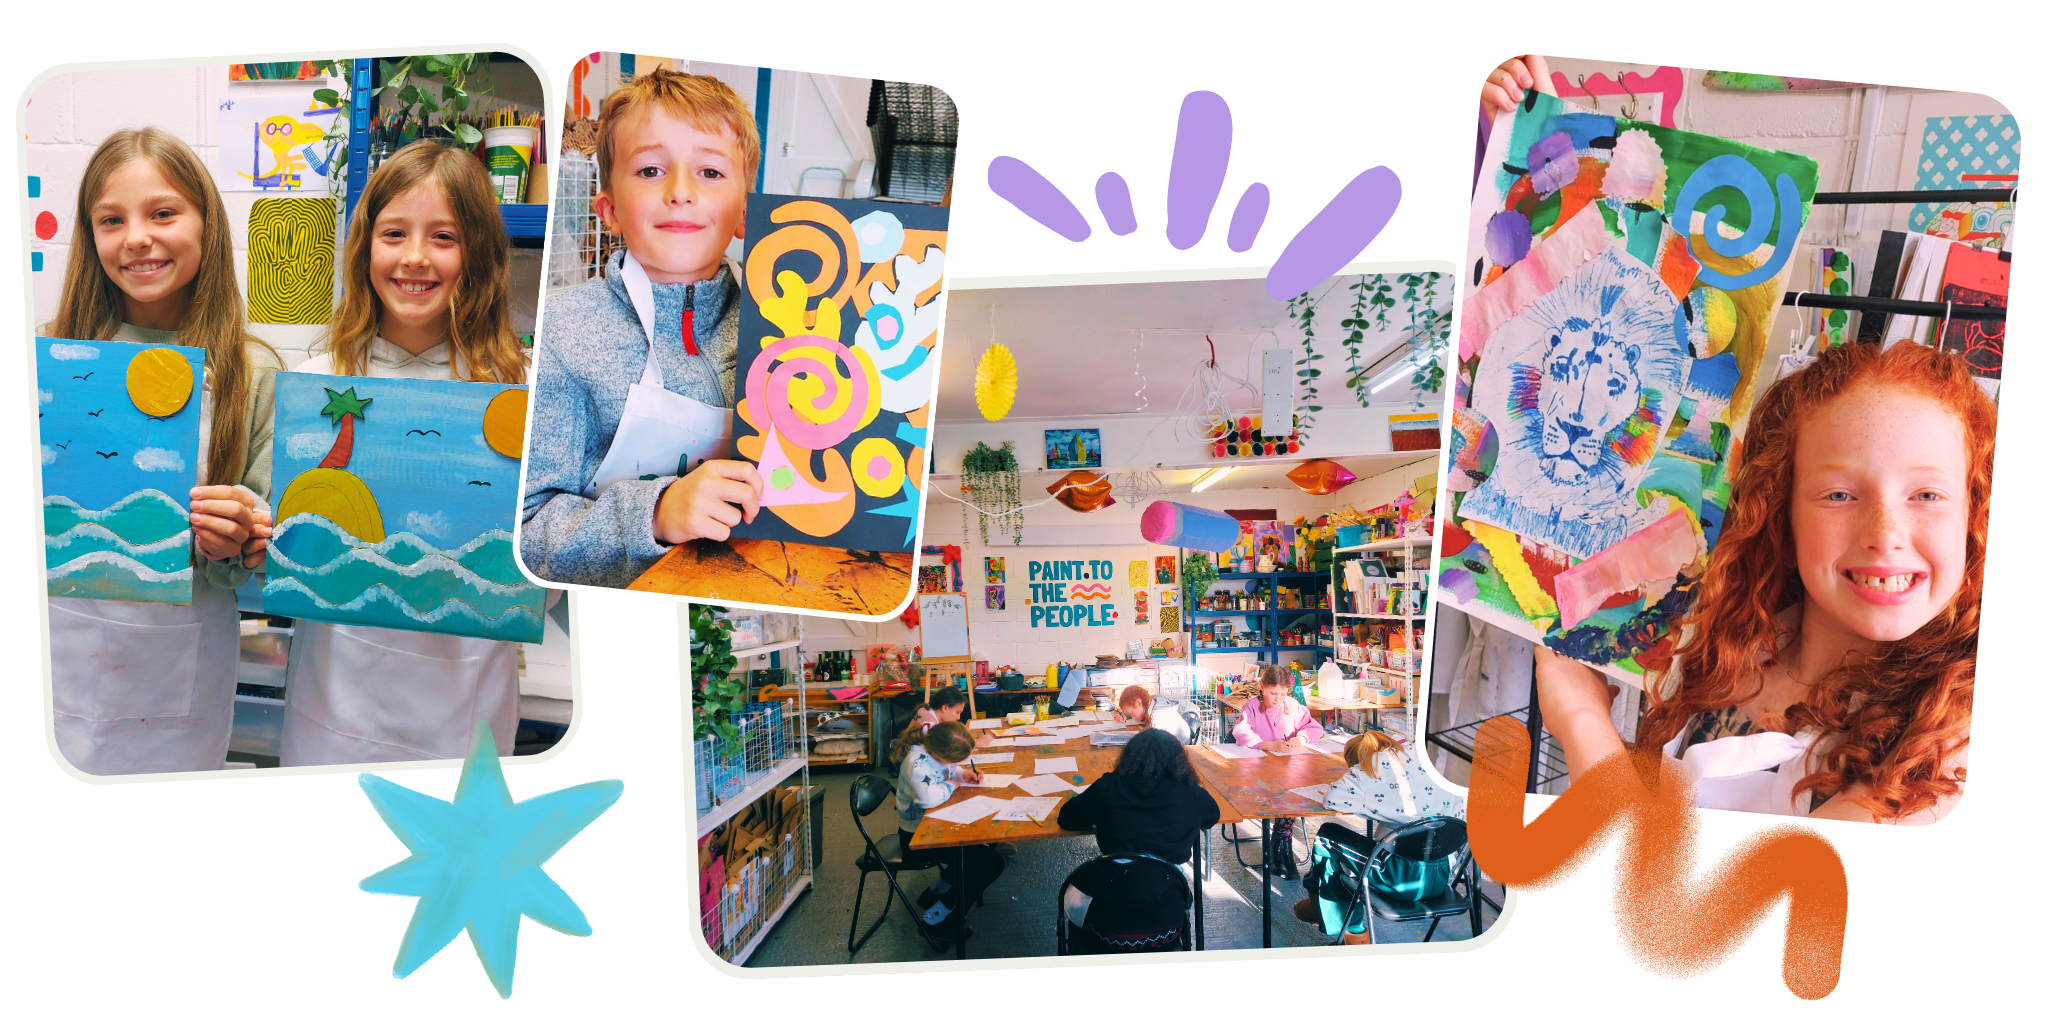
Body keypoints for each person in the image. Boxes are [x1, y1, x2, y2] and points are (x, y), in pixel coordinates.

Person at [1535, 342, 1991, 823]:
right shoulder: (1736, 649)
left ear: (1973, 517)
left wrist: (1582, 719)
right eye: (1839, 494)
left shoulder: (1958, 745)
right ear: (1782, 516)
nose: (1885, 535)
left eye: (1926, 494)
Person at [271, 141, 533, 766]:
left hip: (464, 719)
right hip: (331, 714)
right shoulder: (315, 384)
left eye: (443, 236)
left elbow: (542, 581)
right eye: (394, 233)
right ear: (364, 246)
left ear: (479, 254)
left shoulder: (523, 393)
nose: (414, 258)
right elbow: (285, 553)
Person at [44, 127, 281, 775]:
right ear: (90, 238)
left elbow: (262, 546)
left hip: (178, 671)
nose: (137, 237)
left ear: (207, 224)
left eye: (164, 213)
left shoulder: (252, 372)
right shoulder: (45, 359)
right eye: (111, 220)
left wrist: (241, 535)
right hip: (55, 656)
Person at [521, 68, 765, 588]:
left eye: (711, 173)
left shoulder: (783, 333)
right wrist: (654, 514)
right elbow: (528, 535)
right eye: (652, 170)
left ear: (745, 212)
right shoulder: (565, 332)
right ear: (609, 210)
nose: (680, 191)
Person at [1291, 731, 1467, 944]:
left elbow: (1332, 799)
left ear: (1358, 763)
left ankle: (1351, 931)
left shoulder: (1369, 770)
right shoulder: (1428, 762)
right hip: (1441, 876)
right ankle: (1322, 908)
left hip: (1400, 879)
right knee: (1337, 860)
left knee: (1327, 837)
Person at [1056, 728, 1220, 952]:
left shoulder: (1109, 786)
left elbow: (1067, 818)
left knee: (1073, 897)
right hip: (1166, 921)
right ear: (1179, 761)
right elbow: (1212, 816)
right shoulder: (1189, 792)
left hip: (1108, 918)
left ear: (1129, 756)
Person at [895, 720, 1003, 944]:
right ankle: (938, 917)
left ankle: (937, 891)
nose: (955, 765)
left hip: (934, 826)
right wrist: (953, 785)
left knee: (987, 840)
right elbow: (927, 798)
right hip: (917, 840)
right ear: (939, 753)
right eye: (954, 760)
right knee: (992, 862)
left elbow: (949, 768)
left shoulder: (933, 751)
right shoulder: (917, 765)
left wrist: (963, 775)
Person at [1232, 664, 1324, 750]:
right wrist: (1270, 745)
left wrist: (1301, 738)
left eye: (1283, 694)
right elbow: (1241, 733)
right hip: (1259, 762)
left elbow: (1314, 728)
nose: (1278, 699)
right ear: (1262, 686)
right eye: (1273, 693)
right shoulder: (1251, 707)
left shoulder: (1292, 705)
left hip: (1286, 760)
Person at [888, 686, 968, 767]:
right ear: (945, 708)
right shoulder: (930, 725)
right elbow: (944, 751)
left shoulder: (925, 710)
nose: (958, 717)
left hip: (915, 761)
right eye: (957, 712)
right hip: (918, 765)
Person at [1117, 685, 1193, 745]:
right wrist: (1122, 715)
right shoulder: (1153, 701)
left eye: (1131, 713)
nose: (1132, 717)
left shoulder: (1157, 719)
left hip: (1180, 750)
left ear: (1139, 703)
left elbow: (1156, 747)